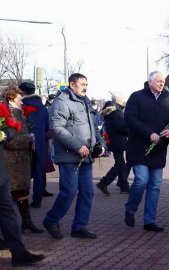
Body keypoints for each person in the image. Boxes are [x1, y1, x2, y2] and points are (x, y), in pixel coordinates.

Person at [43, 73, 105, 240]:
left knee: (87, 192)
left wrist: (101, 145)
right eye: (82, 84)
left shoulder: (85, 102)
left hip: (86, 156)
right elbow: (56, 128)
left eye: (87, 84)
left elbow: (93, 128)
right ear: (72, 84)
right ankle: (51, 220)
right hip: (69, 156)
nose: (86, 87)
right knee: (69, 191)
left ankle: (79, 226)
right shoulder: (62, 102)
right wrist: (77, 146)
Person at [124, 71, 169, 232]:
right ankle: (130, 208)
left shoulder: (167, 99)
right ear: (150, 81)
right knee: (141, 180)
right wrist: (148, 133)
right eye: (159, 81)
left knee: (155, 186)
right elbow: (130, 119)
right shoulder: (137, 97)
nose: (162, 84)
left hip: (158, 149)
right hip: (139, 148)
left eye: (163, 81)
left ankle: (149, 221)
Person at [0, 102, 46, 266]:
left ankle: (18, 252)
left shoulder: (1, 108)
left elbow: (11, 127)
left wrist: (4, 134)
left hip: (1, 173)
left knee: (7, 212)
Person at [2, 87, 44, 233]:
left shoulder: (19, 113)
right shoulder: (6, 114)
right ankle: (9, 230)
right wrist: (29, 138)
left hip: (22, 160)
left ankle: (27, 222)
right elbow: (8, 141)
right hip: (11, 162)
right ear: (11, 98)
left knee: (22, 192)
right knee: (9, 196)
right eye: (19, 99)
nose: (22, 101)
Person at [18, 82, 53, 209]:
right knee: (38, 171)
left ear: (22, 92)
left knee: (22, 172)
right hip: (40, 144)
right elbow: (48, 128)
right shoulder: (43, 107)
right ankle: (37, 200)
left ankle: (21, 201)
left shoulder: (20, 106)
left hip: (22, 143)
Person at [96, 93, 130, 195]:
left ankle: (124, 186)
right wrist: (130, 131)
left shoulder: (111, 112)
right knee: (120, 165)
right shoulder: (117, 112)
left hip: (115, 141)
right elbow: (121, 127)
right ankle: (104, 182)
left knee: (121, 164)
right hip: (119, 141)